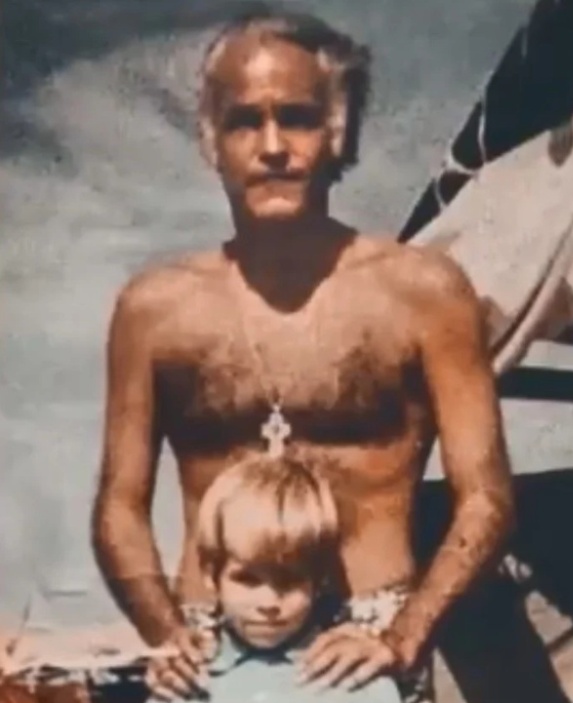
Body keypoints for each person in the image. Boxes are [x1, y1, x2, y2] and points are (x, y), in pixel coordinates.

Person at [91, 9, 515, 703]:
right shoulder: (154, 309)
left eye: (296, 118)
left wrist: (402, 638)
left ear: (337, 133)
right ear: (211, 141)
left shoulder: (423, 292)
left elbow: (487, 497)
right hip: (205, 644)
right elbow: (119, 505)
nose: (272, 146)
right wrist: (167, 635)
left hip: (369, 642)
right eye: (243, 122)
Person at [147, 450, 401, 702]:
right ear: (211, 574)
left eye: (289, 581)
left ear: (318, 579)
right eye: (247, 579)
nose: (269, 603)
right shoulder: (184, 679)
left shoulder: (355, 678)